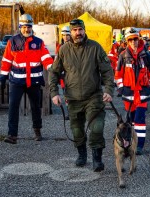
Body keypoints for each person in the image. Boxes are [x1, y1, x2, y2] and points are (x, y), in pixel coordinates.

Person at [49, 19, 114, 172]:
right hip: (73, 98)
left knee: (97, 127)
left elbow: (107, 71)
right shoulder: (64, 50)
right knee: (77, 130)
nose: (78, 33)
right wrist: (54, 93)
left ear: (84, 30)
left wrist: (109, 90)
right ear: (70, 32)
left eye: (80, 30)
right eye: (75, 30)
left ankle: (97, 159)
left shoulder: (95, 47)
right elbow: (54, 72)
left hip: (94, 97)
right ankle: (82, 154)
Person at [0, 13, 54, 144]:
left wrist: (52, 68)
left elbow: (45, 58)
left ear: (31, 27)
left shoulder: (38, 42)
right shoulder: (12, 41)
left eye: (29, 27)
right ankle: (12, 135)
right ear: (20, 27)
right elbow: (6, 60)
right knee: (13, 107)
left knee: (35, 107)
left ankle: (37, 131)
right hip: (16, 81)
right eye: (24, 27)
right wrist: (2, 76)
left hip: (34, 81)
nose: (26, 29)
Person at [115, 27, 150, 155]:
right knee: (130, 122)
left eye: (135, 39)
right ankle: (129, 143)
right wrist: (121, 88)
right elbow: (118, 75)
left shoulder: (147, 57)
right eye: (131, 40)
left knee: (140, 121)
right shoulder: (122, 57)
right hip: (128, 95)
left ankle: (139, 146)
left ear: (139, 39)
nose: (134, 42)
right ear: (127, 41)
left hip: (142, 94)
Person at [56, 26, 71, 120]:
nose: (65, 37)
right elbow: (57, 61)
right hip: (63, 74)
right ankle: (69, 113)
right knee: (66, 94)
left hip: (72, 73)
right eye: (64, 35)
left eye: (67, 35)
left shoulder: (73, 46)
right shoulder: (59, 47)